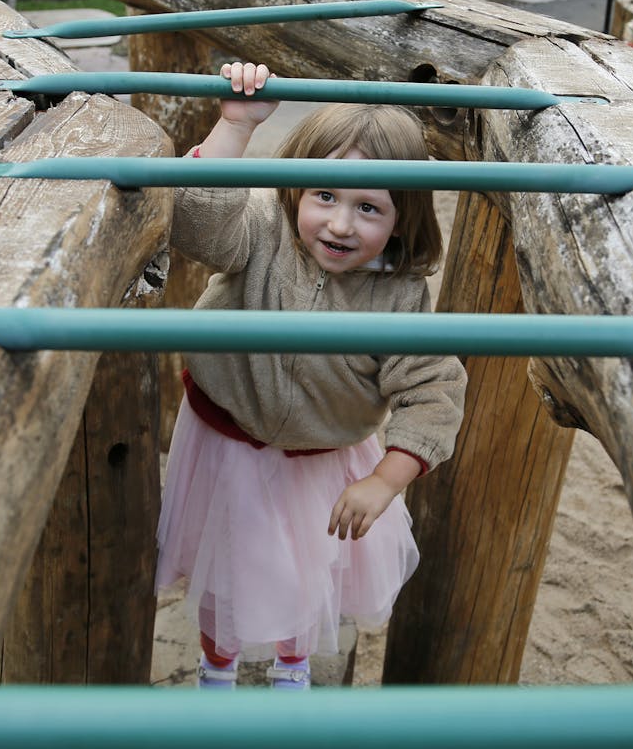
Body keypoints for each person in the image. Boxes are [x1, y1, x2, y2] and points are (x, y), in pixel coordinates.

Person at [155, 61, 467, 691]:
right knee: (226, 570)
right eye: (324, 194)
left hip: (322, 457)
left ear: (403, 219)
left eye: (368, 207)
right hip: (227, 441)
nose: (341, 223)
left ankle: (292, 672)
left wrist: (386, 480)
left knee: (305, 570)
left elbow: (433, 391)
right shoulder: (262, 233)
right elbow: (199, 220)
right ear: (295, 187)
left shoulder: (401, 297)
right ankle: (216, 671)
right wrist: (236, 126)